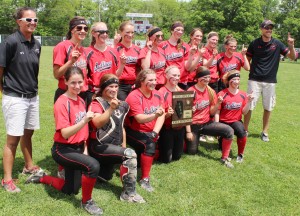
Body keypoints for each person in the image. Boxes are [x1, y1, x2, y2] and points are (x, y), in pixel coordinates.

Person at [26, 66, 103, 215]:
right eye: (73, 82)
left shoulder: (80, 100)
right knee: (93, 165)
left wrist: (85, 150)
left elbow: (84, 132)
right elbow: (65, 133)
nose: (77, 86)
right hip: (63, 149)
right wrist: (84, 121)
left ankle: (42, 178)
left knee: (70, 190)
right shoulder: (61, 102)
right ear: (66, 82)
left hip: (78, 148)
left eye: (80, 82)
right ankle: (86, 202)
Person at [0, 7, 42, 193]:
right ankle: (7, 179)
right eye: (28, 20)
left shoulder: (36, 44)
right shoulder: (9, 42)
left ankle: (29, 165)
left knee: (28, 133)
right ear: (19, 22)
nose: (32, 23)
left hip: (32, 97)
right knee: (13, 140)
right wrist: (5, 91)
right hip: (15, 97)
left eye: (35, 20)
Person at [88, 74, 145, 203]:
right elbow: (97, 123)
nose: (114, 90)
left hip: (112, 146)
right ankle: (128, 194)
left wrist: (123, 148)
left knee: (106, 176)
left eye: (116, 86)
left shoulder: (122, 105)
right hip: (98, 146)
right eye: (110, 86)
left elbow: (121, 127)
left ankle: (99, 174)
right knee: (130, 154)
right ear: (103, 88)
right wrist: (110, 109)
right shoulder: (96, 103)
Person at [243, 20, 297, 142]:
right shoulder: (254, 43)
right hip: (254, 80)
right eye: (266, 28)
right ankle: (245, 130)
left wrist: (291, 46)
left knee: (268, 107)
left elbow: (293, 57)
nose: (269, 30)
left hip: (270, 81)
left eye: (271, 28)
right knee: (249, 106)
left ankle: (265, 132)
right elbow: (247, 59)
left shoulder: (277, 44)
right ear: (261, 29)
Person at [186, 66, 235, 168]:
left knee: (229, 131)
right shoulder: (191, 91)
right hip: (193, 125)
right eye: (204, 77)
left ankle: (224, 158)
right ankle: (187, 139)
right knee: (191, 152)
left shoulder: (211, 91)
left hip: (206, 123)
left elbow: (212, 112)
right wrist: (188, 132)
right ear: (197, 78)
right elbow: (185, 114)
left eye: (208, 77)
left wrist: (218, 104)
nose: (207, 79)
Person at [125, 69, 165, 192]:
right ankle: (144, 179)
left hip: (151, 130)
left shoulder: (158, 94)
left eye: (155, 79)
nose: (154, 82)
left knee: (165, 152)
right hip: (133, 131)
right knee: (149, 145)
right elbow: (139, 119)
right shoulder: (134, 95)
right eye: (150, 80)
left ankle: (140, 162)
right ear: (142, 81)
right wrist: (154, 115)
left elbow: (162, 114)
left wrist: (155, 132)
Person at [215, 70, 253, 163]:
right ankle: (222, 139)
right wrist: (216, 126)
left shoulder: (243, 94)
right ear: (228, 81)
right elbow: (217, 112)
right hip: (224, 121)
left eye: (238, 79)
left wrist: (249, 101)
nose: (237, 81)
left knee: (242, 132)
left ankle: (240, 154)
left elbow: (244, 112)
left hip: (236, 121)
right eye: (234, 79)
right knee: (221, 147)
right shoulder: (222, 94)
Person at [53, 16, 92, 105]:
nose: (83, 31)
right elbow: (56, 74)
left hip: (82, 94)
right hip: (66, 93)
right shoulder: (62, 46)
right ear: (72, 30)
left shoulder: (83, 49)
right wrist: (71, 61)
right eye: (79, 28)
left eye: (85, 28)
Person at [86, 22, 126, 92]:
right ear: (93, 33)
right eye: (101, 32)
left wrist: (122, 64)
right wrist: (91, 88)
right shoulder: (87, 52)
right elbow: (83, 75)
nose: (104, 34)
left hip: (111, 90)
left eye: (106, 32)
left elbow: (116, 75)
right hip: (94, 91)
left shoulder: (113, 52)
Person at [158, 66, 186, 163]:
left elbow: (185, 114)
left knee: (177, 157)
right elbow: (158, 117)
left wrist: (190, 111)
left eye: (178, 75)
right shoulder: (161, 92)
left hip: (180, 128)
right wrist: (167, 115)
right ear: (166, 75)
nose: (177, 77)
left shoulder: (182, 92)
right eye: (174, 75)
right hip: (167, 128)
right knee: (167, 160)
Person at [159, 21, 192, 90]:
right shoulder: (162, 45)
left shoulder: (185, 46)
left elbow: (187, 67)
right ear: (171, 31)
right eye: (178, 30)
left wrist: (191, 55)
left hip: (181, 80)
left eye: (182, 30)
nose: (180, 32)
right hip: (168, 81)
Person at [115, 21, 141, 100]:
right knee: (124, 107)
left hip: (134, 84)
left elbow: (140, 68)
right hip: (120, 85)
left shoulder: (137, 49)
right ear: (121, 32)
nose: (130, 35)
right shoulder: (115, 48)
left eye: (132, 32)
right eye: (127, 32)